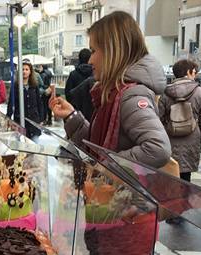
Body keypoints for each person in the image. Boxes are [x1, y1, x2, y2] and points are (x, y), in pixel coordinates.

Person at [48, 11, 170, 168]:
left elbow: (158, 149)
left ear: (112, 52)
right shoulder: (112, 92)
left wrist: (108, 167)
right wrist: (71, 116)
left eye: (94, 51)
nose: (90, 60)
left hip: (115, 184)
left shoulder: (131, 96)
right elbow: (97, 147)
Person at [159, 59, 201, 181]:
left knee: (170, 175)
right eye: (194, 72)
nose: (195, 75)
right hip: (191, 138)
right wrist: (199, 136)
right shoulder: (199, 91)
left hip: (170, 139)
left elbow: (159, 118)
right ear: (188, 72)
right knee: (186, 177)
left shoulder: (166, 92)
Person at [7, 60, 43, 137]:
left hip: (34, 121)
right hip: (20, 121)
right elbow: (11, 103)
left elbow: (39, 102)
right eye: (22, 69)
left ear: (30, 72)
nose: (24, 71)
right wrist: (8, 118)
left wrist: (41, 119)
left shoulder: (34, 86)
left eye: (26, 69)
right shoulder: (15, 86)